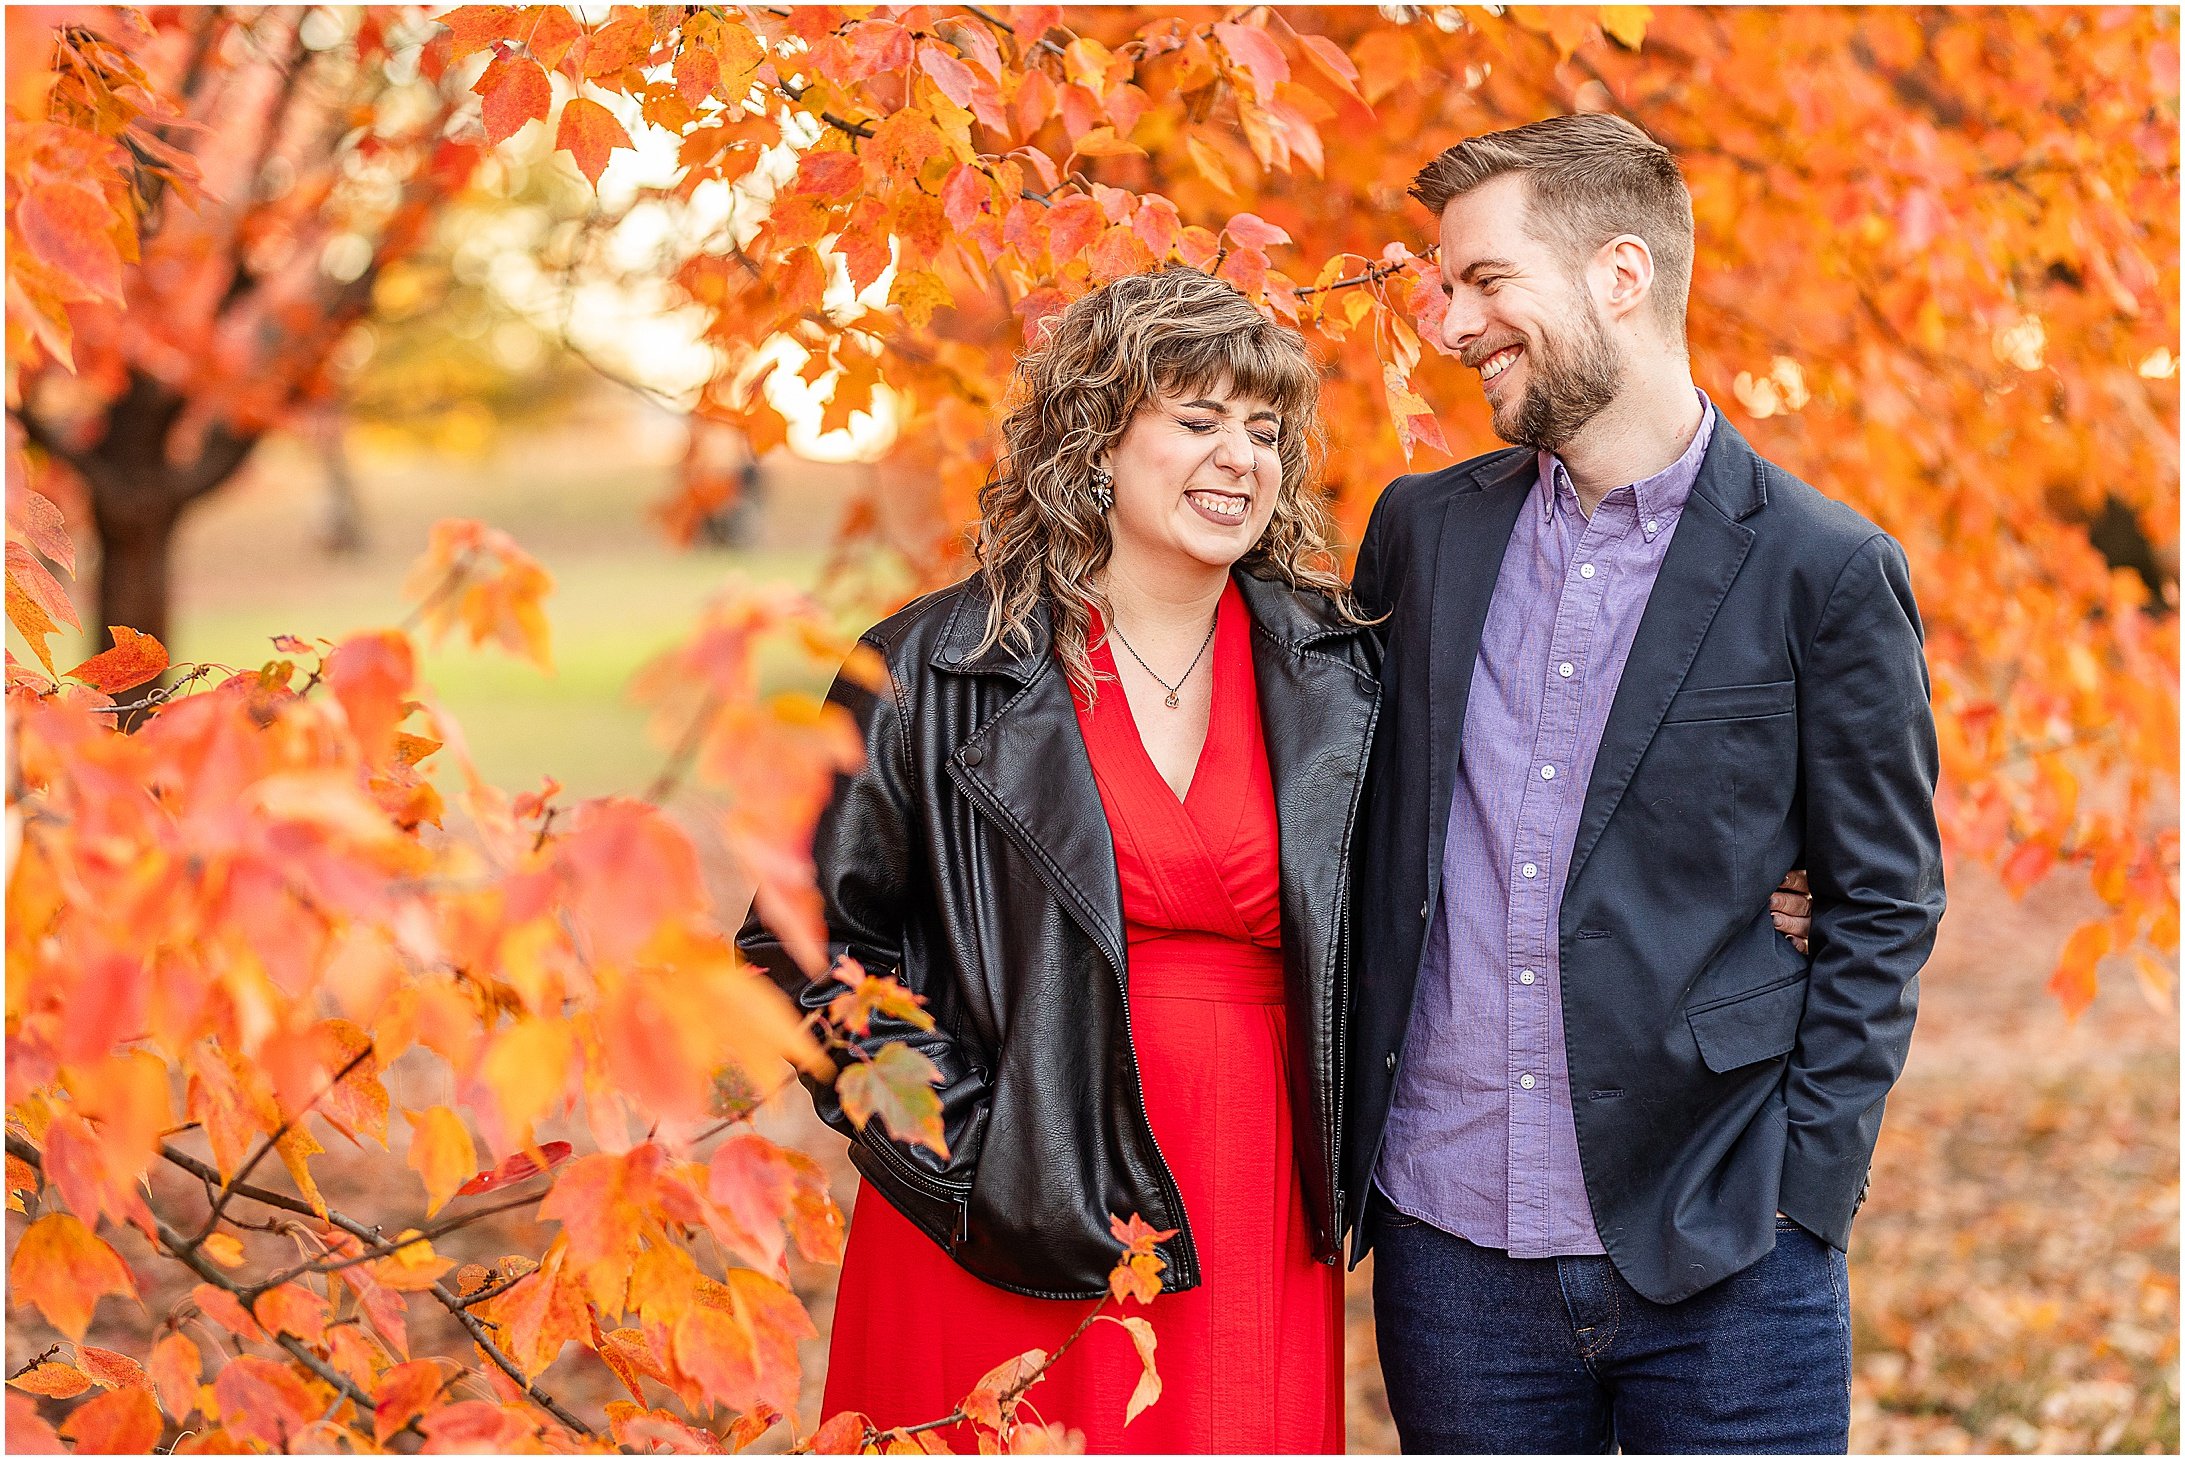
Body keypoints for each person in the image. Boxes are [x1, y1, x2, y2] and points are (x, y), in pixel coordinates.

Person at [739, 265, 1814, 1454]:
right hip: (1006, 1202)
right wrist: (970, 1153)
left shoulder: (1340, 670)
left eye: (1264, 429)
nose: (1240, 456)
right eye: (1195, 420)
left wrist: (1764, 883)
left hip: (1253, 1195)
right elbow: (800, 945)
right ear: (1095, 437)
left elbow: (1515, 817)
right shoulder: (939, 667)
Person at [1343, 114, 1946, 1454]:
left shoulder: (1822, 568)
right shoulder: (1420, 535)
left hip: (1729, 1243)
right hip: (1449, 1247)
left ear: (1620, 274)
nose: (1450, 323)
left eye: (1487, 280)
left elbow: (1885, 900)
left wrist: (1806, 1188)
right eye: (1447, 286)